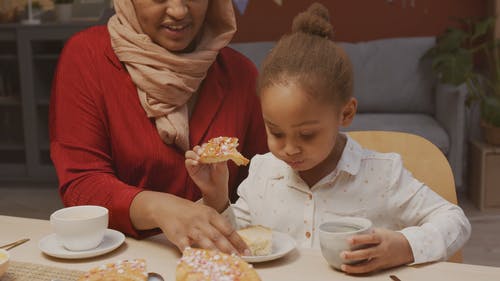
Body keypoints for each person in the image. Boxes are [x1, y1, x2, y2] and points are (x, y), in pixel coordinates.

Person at [185, 3, 471, 274]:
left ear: (345, 114)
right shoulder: (263, 172)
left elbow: (455, 221)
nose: (289, 148)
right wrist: (217, 198)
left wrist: (403, 247)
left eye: (307, 134)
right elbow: (238, 242)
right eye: (275, 132)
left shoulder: (382, 175)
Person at [49, 0, 267, 255]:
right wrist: (160, 208)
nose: (178, 11)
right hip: (120, 260)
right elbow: (81, 185)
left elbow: (264, 186)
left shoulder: (241, 75)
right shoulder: (87, 57)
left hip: (218, 262)